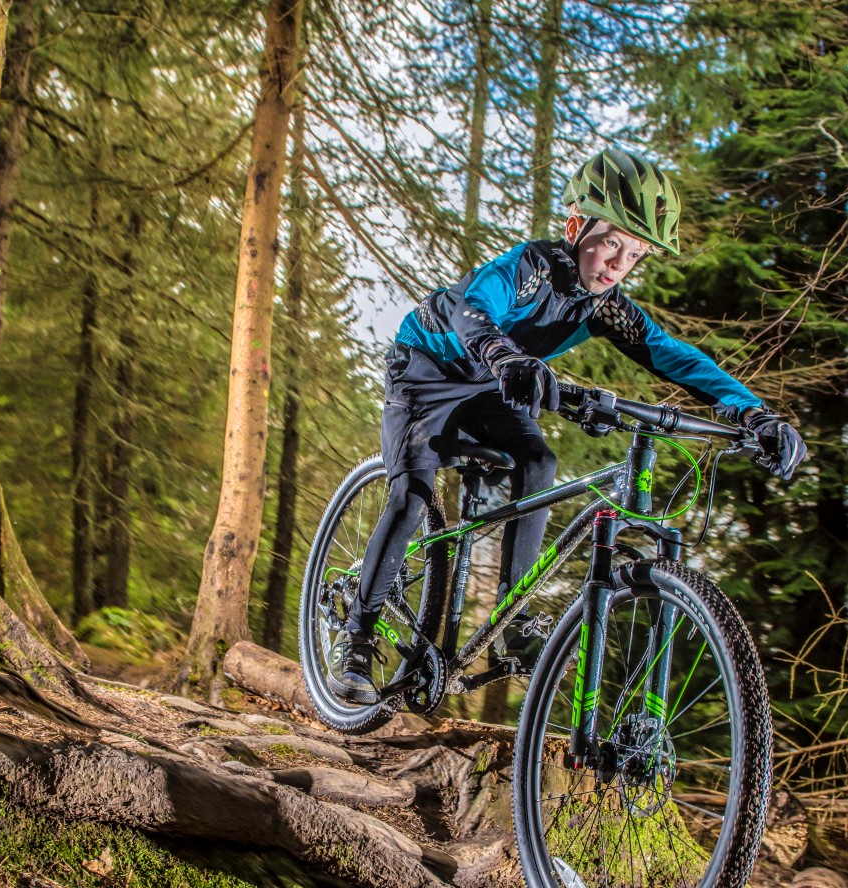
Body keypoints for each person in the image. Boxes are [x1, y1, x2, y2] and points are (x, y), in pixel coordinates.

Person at [328, 148, 807, 705]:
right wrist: (506, 357)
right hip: (425, 372)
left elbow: (673, 355)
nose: (617, 263)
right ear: (578, 227)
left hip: (489, 385)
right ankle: (357, 633)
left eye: (634, 254)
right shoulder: (531, 269)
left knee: (540, 463)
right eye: (611, 243)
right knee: (411, 495)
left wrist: (751, 412)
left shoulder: (604, 307)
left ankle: (512, 620)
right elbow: (472, 307)